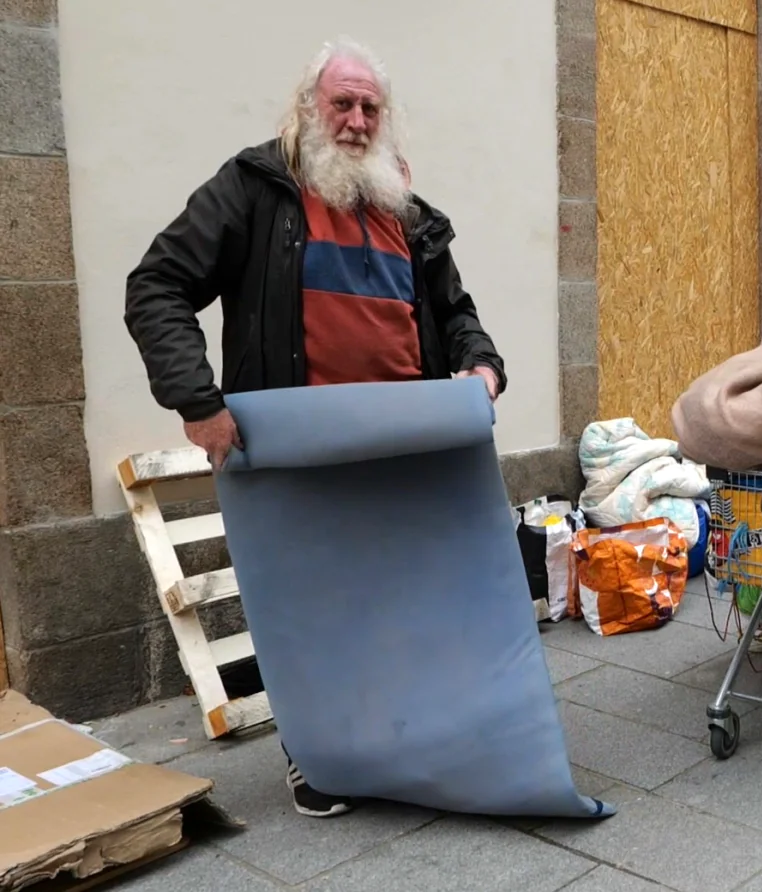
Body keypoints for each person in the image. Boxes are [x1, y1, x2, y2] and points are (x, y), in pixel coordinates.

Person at [124, 38, 508, 818]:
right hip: (295, 452)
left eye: (371, 106)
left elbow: (454, 314)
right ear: (310, 108)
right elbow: (156, 285)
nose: (358, 119)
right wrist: (198, 401)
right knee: (309, 613)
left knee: (400, 603)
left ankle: (402, 745)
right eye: (343, 103)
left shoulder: (407, 211)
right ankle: (319, 757)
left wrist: (482, 366)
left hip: (402, 450)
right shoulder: (254, 188)